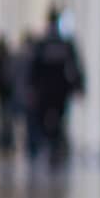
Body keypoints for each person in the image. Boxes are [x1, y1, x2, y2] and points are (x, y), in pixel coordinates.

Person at [26, 9, 84, 171]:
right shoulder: (60, 44)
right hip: (57, 91)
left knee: (53, 120)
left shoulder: (45, 43)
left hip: (51, 91)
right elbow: (75, 67)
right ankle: (54, 146)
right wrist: (78, 86)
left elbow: (34, 69)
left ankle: (54, 146)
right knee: (55, 120)